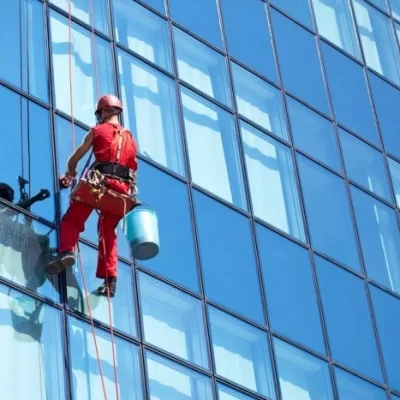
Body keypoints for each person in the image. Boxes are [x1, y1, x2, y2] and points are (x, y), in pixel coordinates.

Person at [45, 95, 138, 297]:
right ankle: (110, 281)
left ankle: (67, 251)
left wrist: (70, 172)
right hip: (121, 192)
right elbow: (132, 168)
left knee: (73, 219)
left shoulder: (97, 131)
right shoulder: (131, 139)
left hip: (99, 184)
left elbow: (76, 156)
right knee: (108, 231)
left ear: (103, 111)